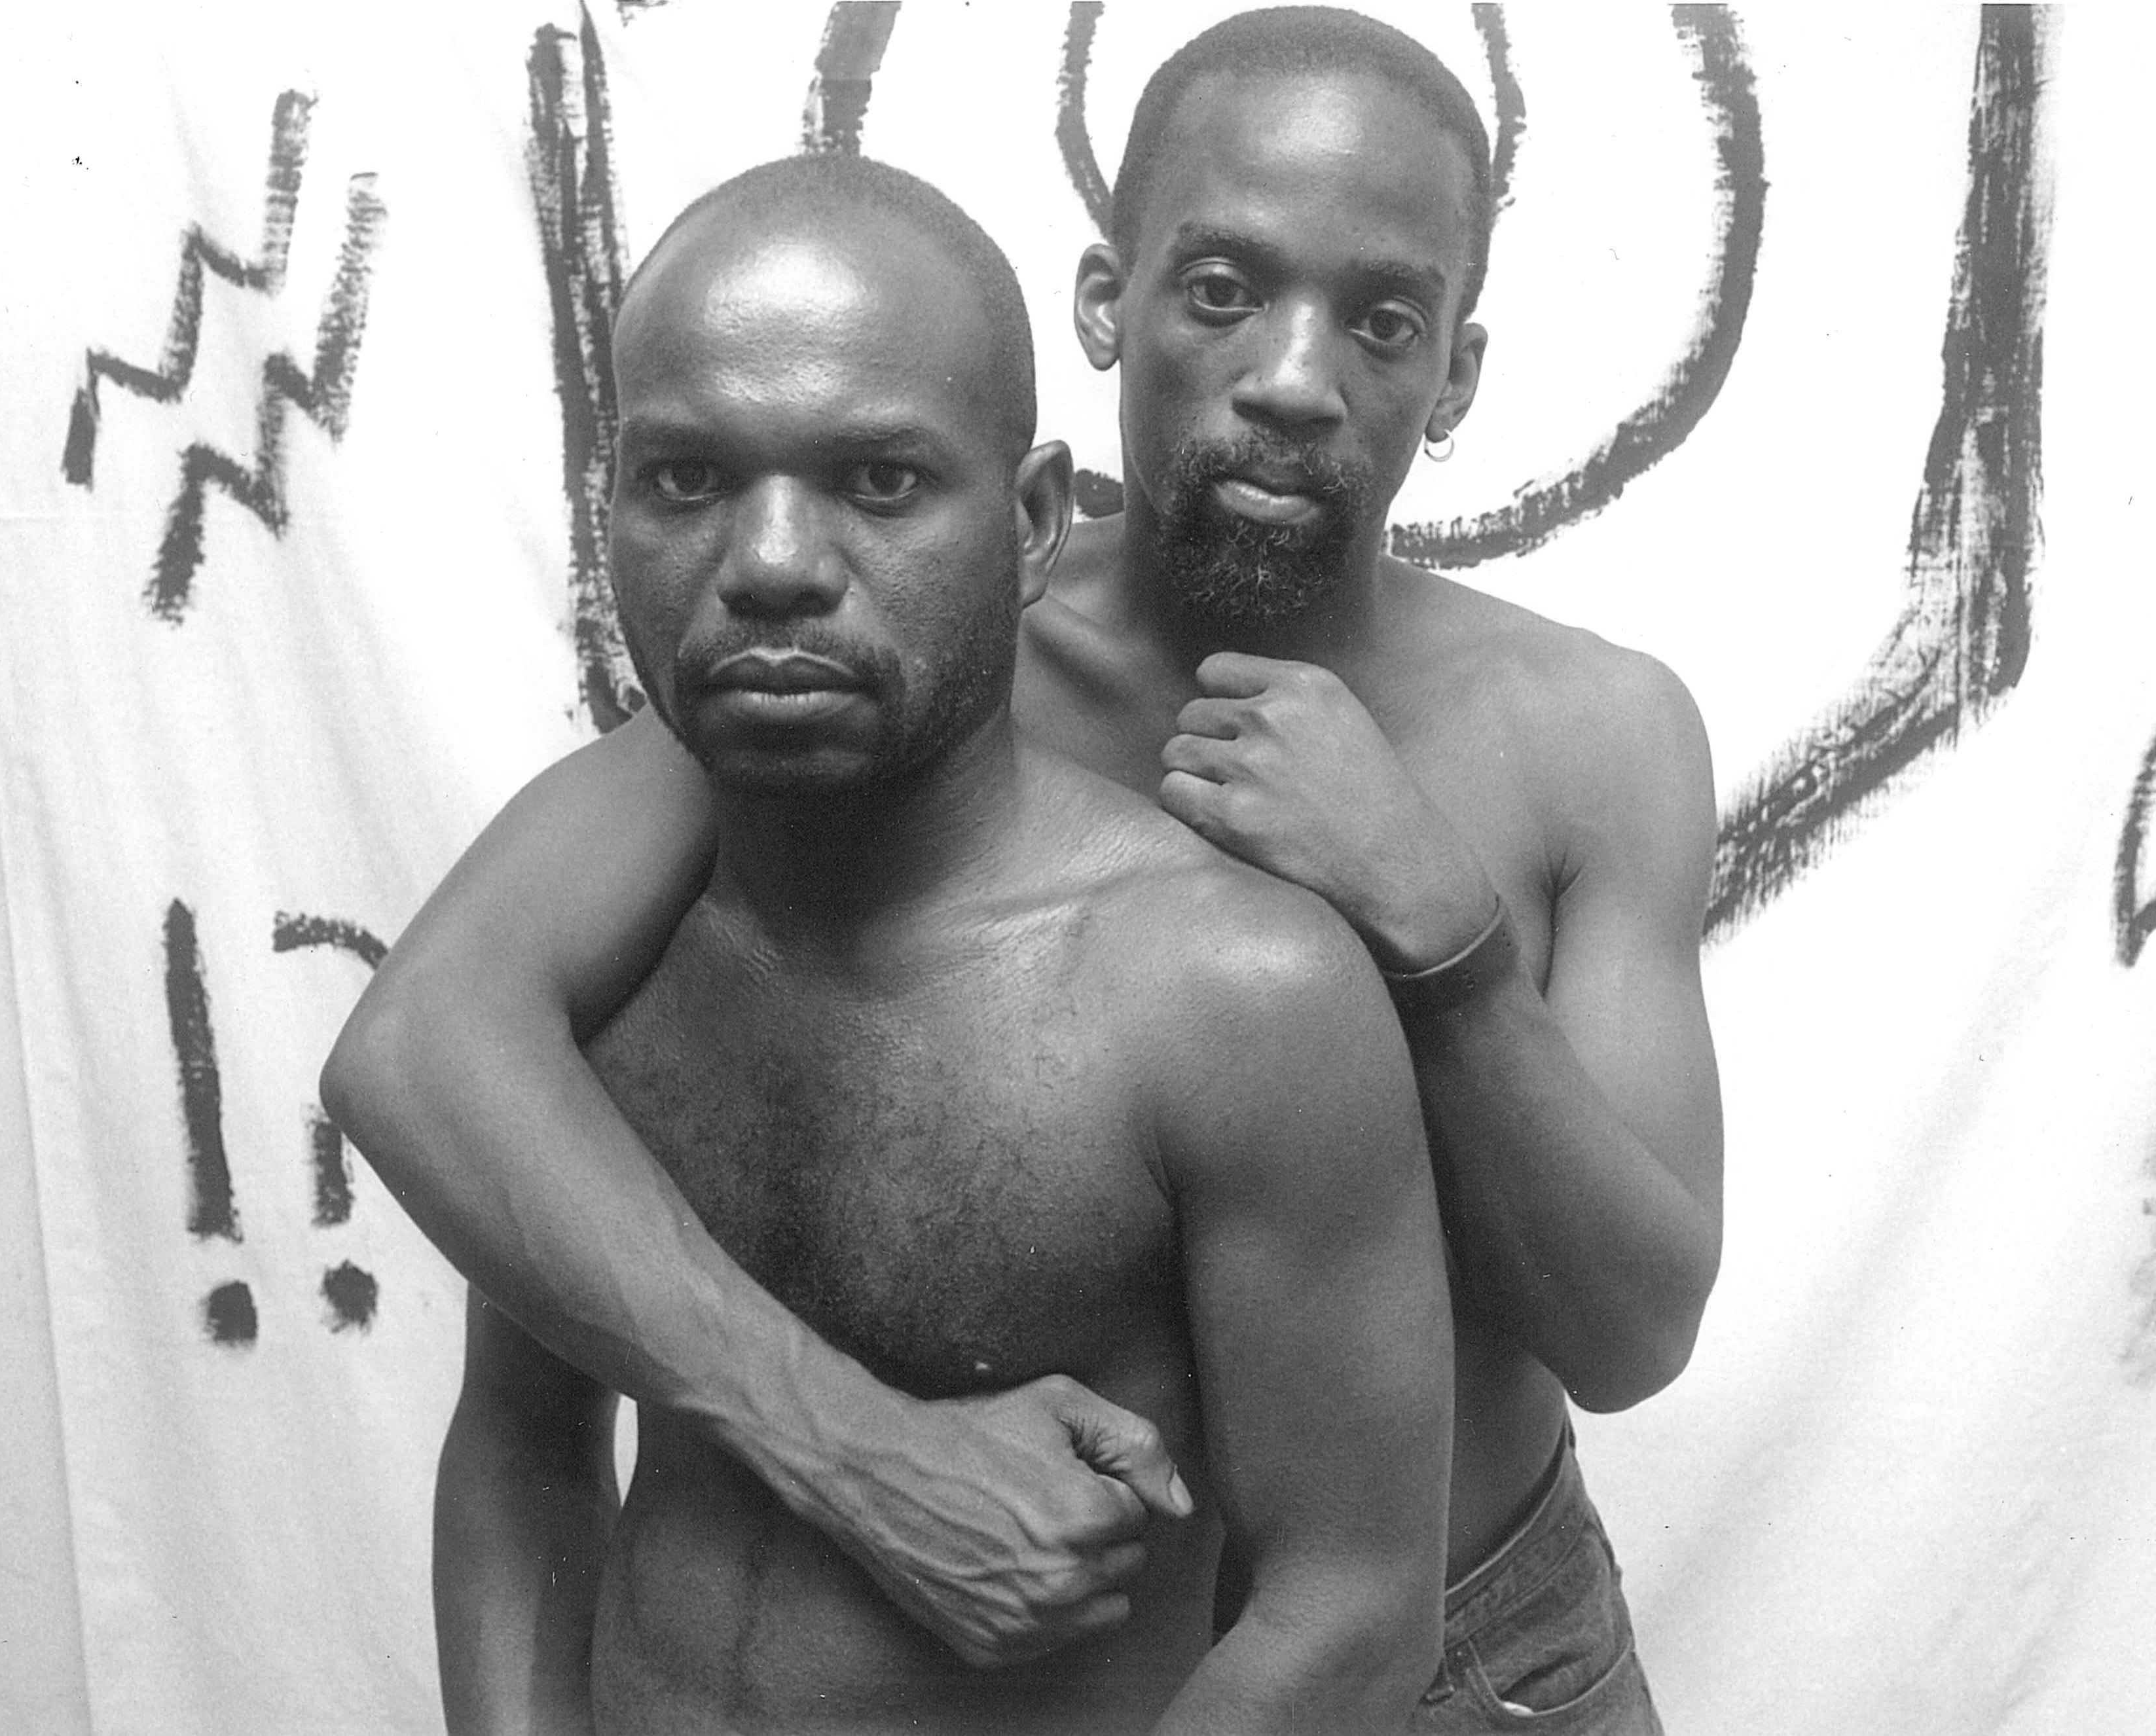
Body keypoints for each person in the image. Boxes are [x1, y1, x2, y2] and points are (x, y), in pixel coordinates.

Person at [327, 9, 1721, 1731]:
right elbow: (433, 1043)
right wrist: (855, 1446)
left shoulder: (1588, 732)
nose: (1294, 377)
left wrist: (1443, 942)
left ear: (1454, 373)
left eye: (1380, 319)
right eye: (1223, 288)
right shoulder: (893, 654)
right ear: (1107, 303)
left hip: (1454, 1644)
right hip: (1013, 1652)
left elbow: (1630, 1338)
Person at [400, 149, 1454, 1735]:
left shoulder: (1233, 996)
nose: (771, 563)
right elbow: (523, 1455)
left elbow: (1351, 1614)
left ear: (1029, 523)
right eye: (686, 480)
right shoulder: (594, 957)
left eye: (879, 482)